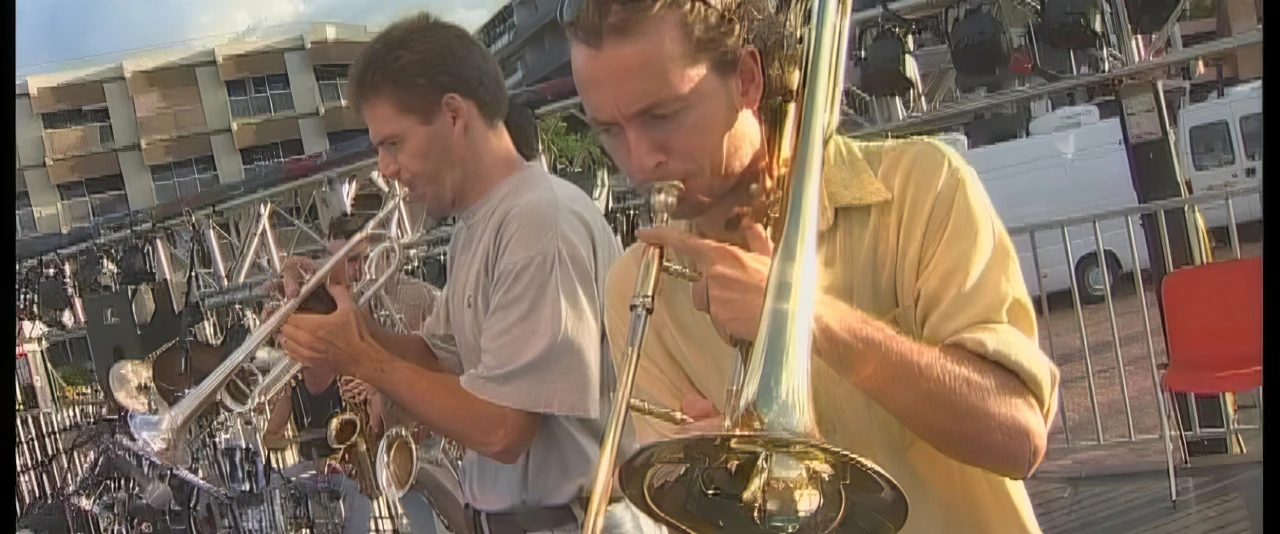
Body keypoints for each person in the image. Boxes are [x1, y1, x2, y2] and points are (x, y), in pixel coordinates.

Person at [564, 1, 1061, 533]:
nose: (639, 161)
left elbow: (1019, 437)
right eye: (609, 131)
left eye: (662, 115)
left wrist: (805, 316)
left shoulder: (924, 184)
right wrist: (724, 487)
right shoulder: (637, 285)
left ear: (746, 80)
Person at [277, 13, 662, 534]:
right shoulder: (475, 229)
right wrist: (340, 312)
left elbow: (503, 428)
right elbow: (437, 358)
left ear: (453, 115)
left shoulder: (536, 221)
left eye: (393, 144)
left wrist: (360, 358)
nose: (384, 169)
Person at [266, 214, 441, 534]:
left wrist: (375, 382)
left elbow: (442, 363)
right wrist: (288, 273)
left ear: (371, 250)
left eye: (357, 259)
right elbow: (295, 266)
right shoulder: (337, 299)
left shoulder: (415, 297)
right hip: (380, 455)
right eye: (339, 262)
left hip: (425, 440)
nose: (350, 273)